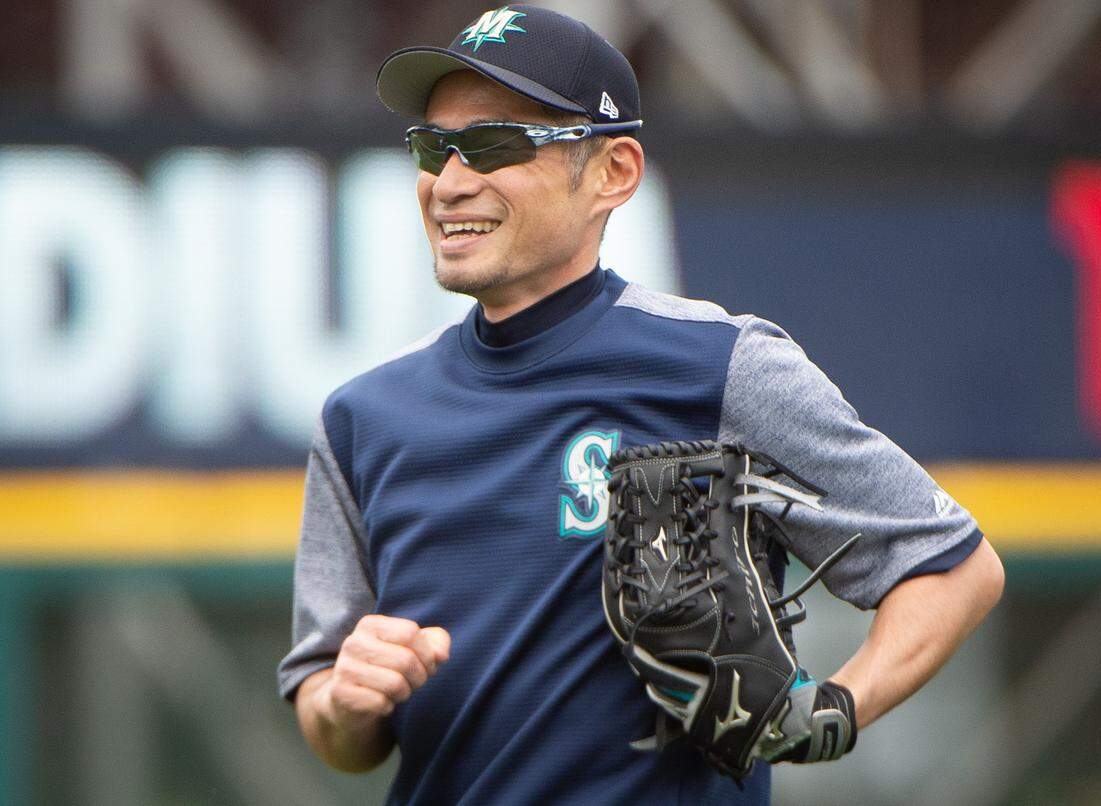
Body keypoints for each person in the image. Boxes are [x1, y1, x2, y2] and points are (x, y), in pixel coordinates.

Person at [277, 5, 1005, 804]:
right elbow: (334, 725)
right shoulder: (361, 419)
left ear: (613, 173)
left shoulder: (721, 369)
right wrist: (345, 700)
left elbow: (954, 568)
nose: (450, 182)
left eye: (493, 145)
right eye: (433, 146)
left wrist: (828, 711)